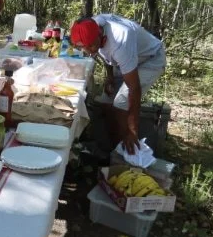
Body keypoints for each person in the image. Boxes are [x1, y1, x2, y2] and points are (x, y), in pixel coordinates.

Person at [68, 14, 166, 156]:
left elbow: (134, 89)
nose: (89, 50)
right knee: (105, 101)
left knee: (121, 102)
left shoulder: (120, 39)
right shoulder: (94, 26)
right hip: (125, 61)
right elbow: (103, 53)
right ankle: (112, 146)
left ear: (100, 34)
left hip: (150, 60)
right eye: (84, 47)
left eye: (91, 45)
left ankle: (126, 152)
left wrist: (132, 129)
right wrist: (110, 76)